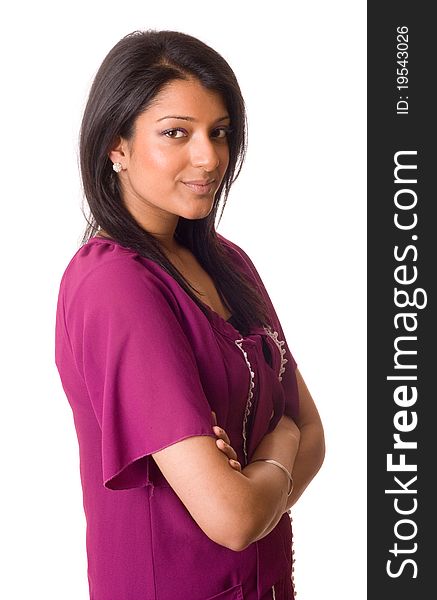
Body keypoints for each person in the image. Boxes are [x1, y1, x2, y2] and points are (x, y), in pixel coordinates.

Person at [54, 29, 325, 600]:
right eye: (176, 133)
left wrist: (255, 482)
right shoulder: (113, 284)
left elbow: (316, 433)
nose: (209, 157)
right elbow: (233, 518)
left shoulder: (229, 262)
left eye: (219, 133)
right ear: (116, 146)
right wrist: (277, 445)